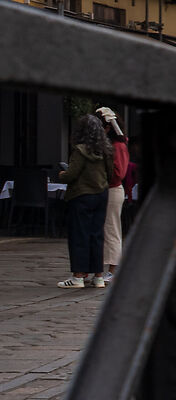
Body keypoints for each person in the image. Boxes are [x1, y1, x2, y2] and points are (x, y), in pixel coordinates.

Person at [57, 114, 113, 290]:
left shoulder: (80, 150)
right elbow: (110, 173)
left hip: (81, 195)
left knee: (79, 235)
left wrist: (62, 175)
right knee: (97, 235)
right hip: (101, 194)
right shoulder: (106, 150)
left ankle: (78, 276)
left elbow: (72, 174)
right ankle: (98, 276)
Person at [98, 109, 132, 284]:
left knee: (111, 229)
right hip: (106, 189)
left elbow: (118, 173)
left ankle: (113, 268)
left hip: (112, 189)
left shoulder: (118, 146)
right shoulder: (113, 145)